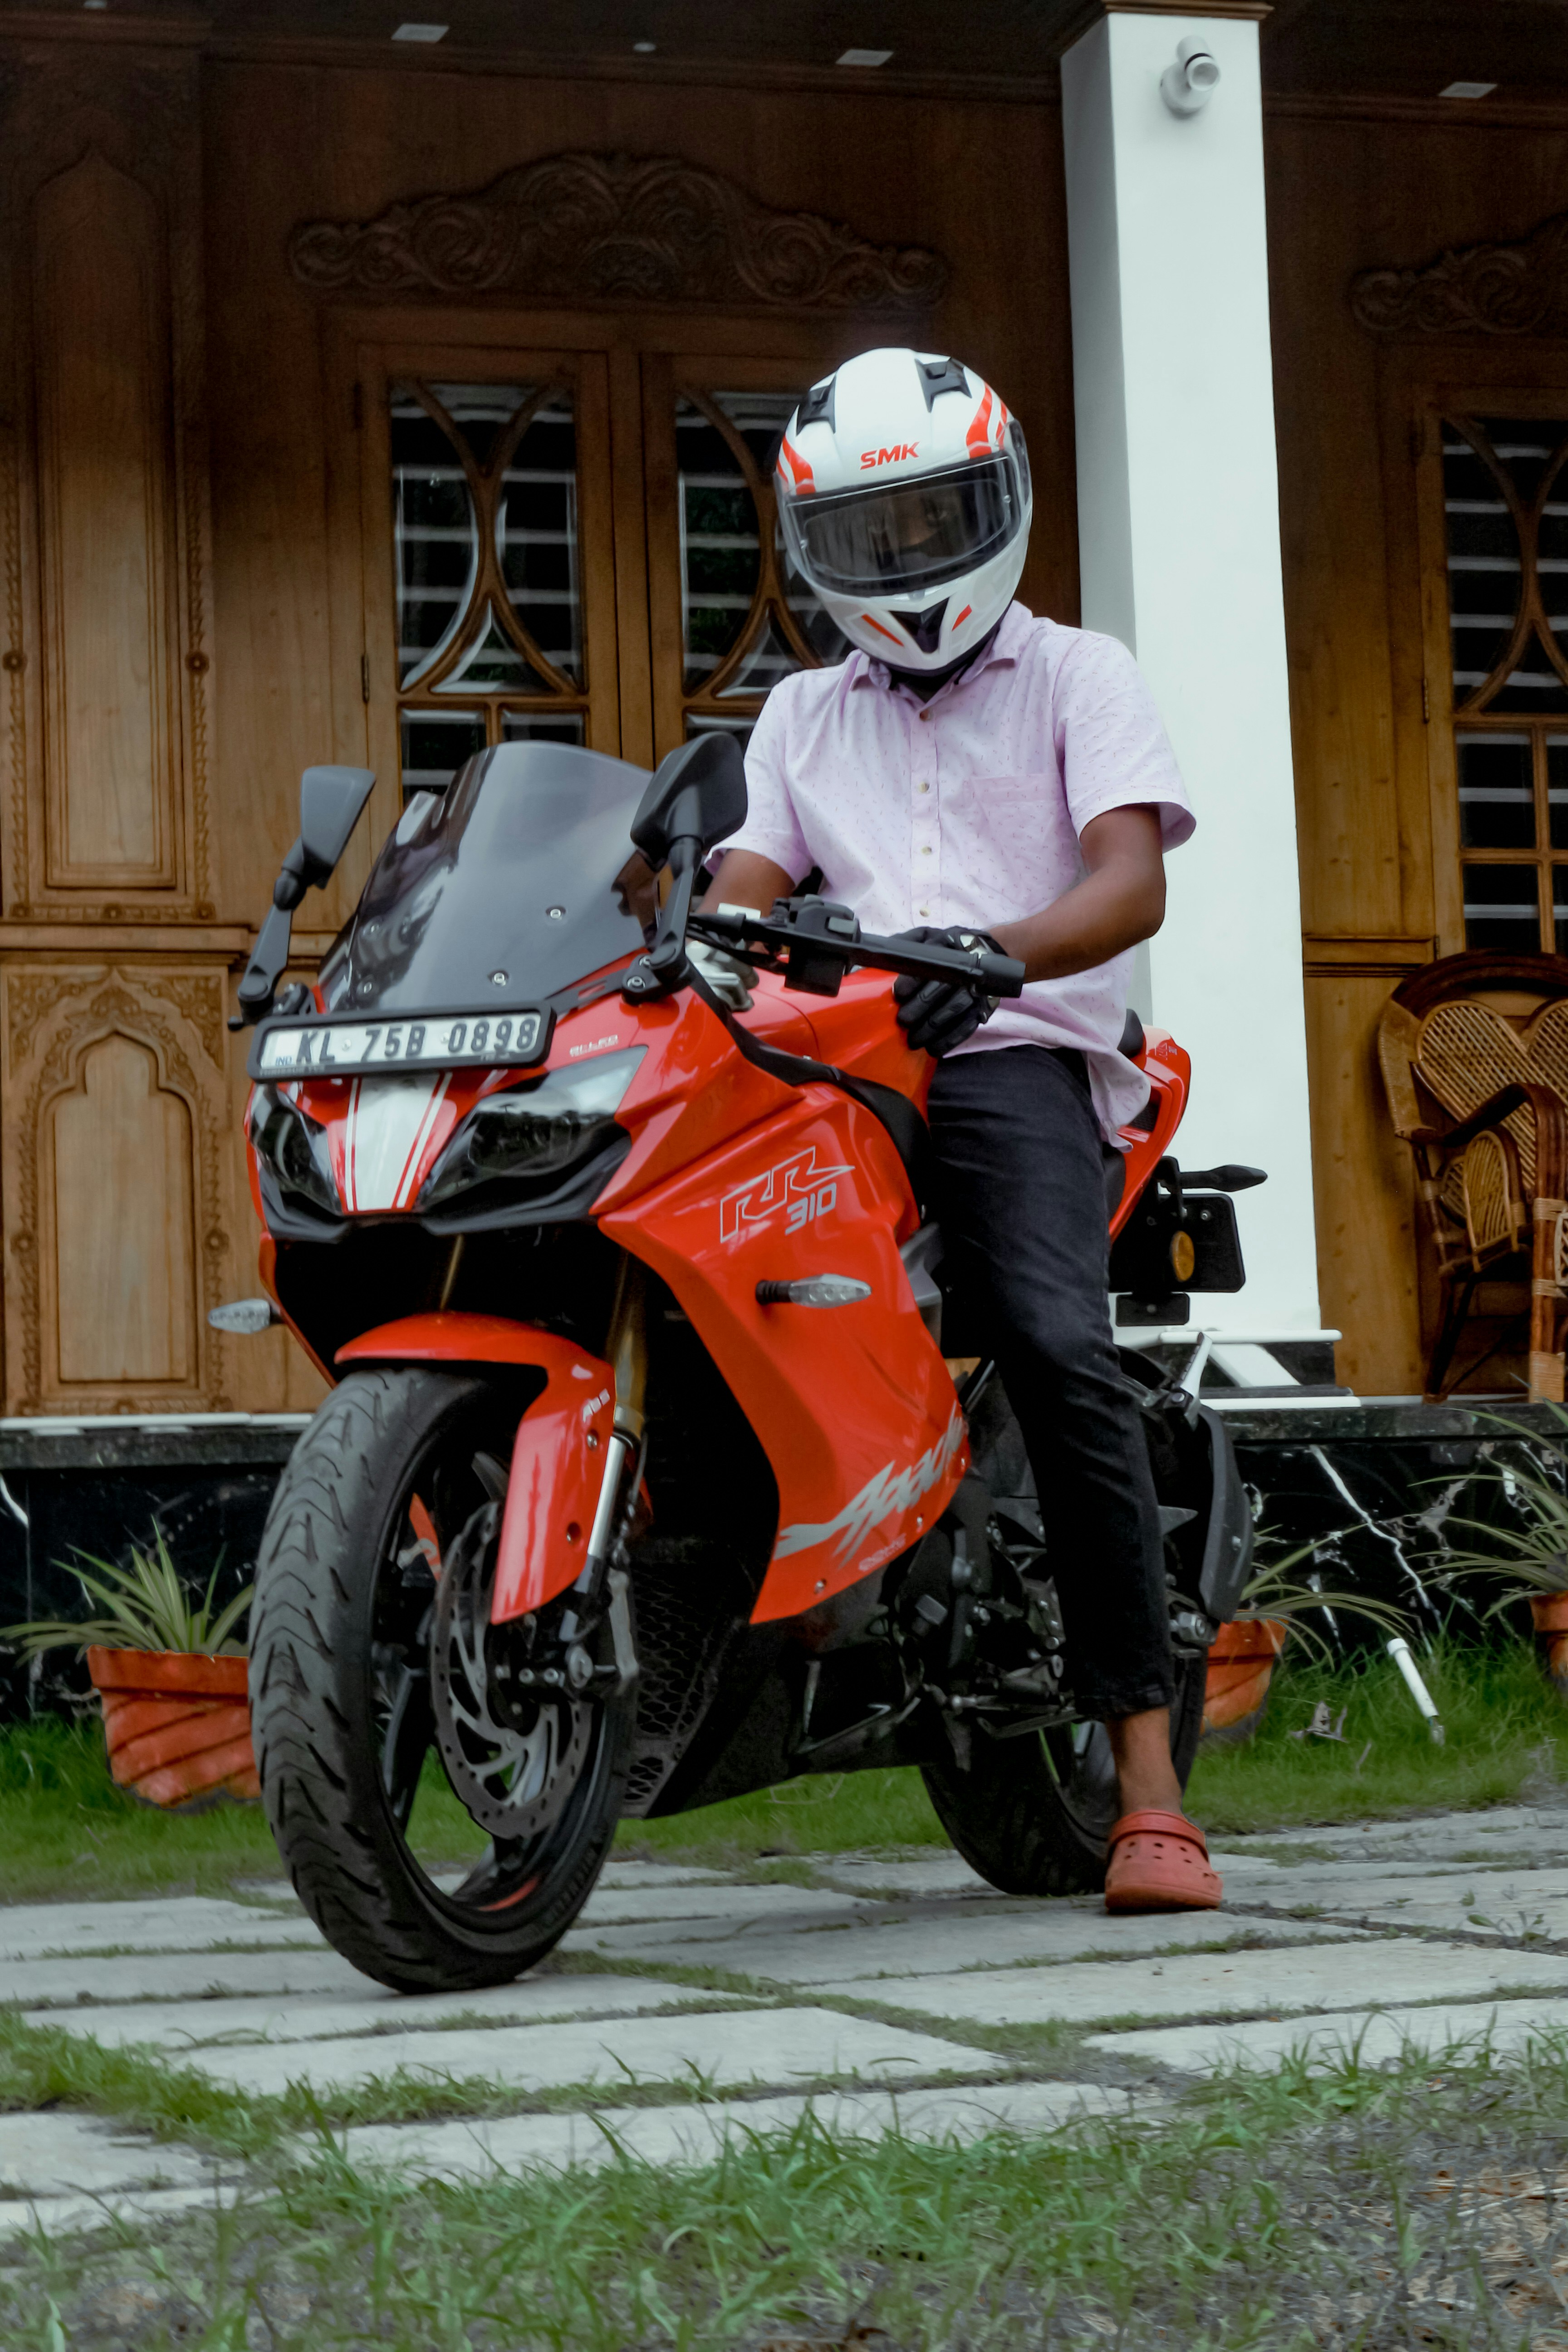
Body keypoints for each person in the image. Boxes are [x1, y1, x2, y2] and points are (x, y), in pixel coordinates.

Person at [706, 345, 1220, 1913]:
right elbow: (752, 867)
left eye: (933, 522)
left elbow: (1129, 883)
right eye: (871, 537)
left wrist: (1002, 954)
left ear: (996, 508)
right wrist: (717, 930)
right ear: (813, 548)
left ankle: (1147, 1790)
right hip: (839, 1061)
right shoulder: (801, 711)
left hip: (1014, 1053)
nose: (910, 564)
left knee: (1060, 1349)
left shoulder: (1082, 674)